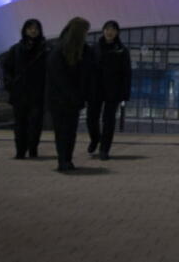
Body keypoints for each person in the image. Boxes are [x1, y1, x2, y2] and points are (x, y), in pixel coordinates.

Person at [46, 17, 94, 172]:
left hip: (69, 98)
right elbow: (59, 77)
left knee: (68, 131)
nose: (87, 34)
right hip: (61, 99)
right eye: (85, 31)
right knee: (64, 130)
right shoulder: (60, 50)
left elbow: (87, 74)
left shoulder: (82, 50)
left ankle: (66, 159)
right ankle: (64, 160)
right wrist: (76, 94)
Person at [1, 19, 47, 159]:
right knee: (20, 124)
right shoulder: (16, 49)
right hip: (20, 93)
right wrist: (11, 85)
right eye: (30, 28)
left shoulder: (46, 49)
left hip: (37, 94)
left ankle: (33, 148)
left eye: (36, 28)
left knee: (35, 124)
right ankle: (20, 151)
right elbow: (7, 68)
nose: (33, 31)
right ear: (25, 30)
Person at [87, 19, 132, 161]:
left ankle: (104, 149)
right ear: (103, 31)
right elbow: (87, 70)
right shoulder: (94, 48)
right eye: (107, 29)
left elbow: (127, 73)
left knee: (109, 120)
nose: (109, 32)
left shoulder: (122, 50)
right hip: (95, 89)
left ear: (117, 32)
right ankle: (95, 139)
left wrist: (125, 93)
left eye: (112, 29)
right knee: (91, 118)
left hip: (113, 90)